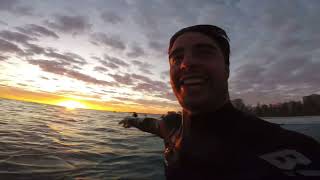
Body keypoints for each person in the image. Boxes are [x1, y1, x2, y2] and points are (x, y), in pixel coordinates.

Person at [119, 25, 320, 179]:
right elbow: (151, 124)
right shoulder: (171, 127)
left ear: (226, 70)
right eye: (176, 58)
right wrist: (130, 121)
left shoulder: (290, 147)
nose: (186, 63)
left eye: (204, 52)